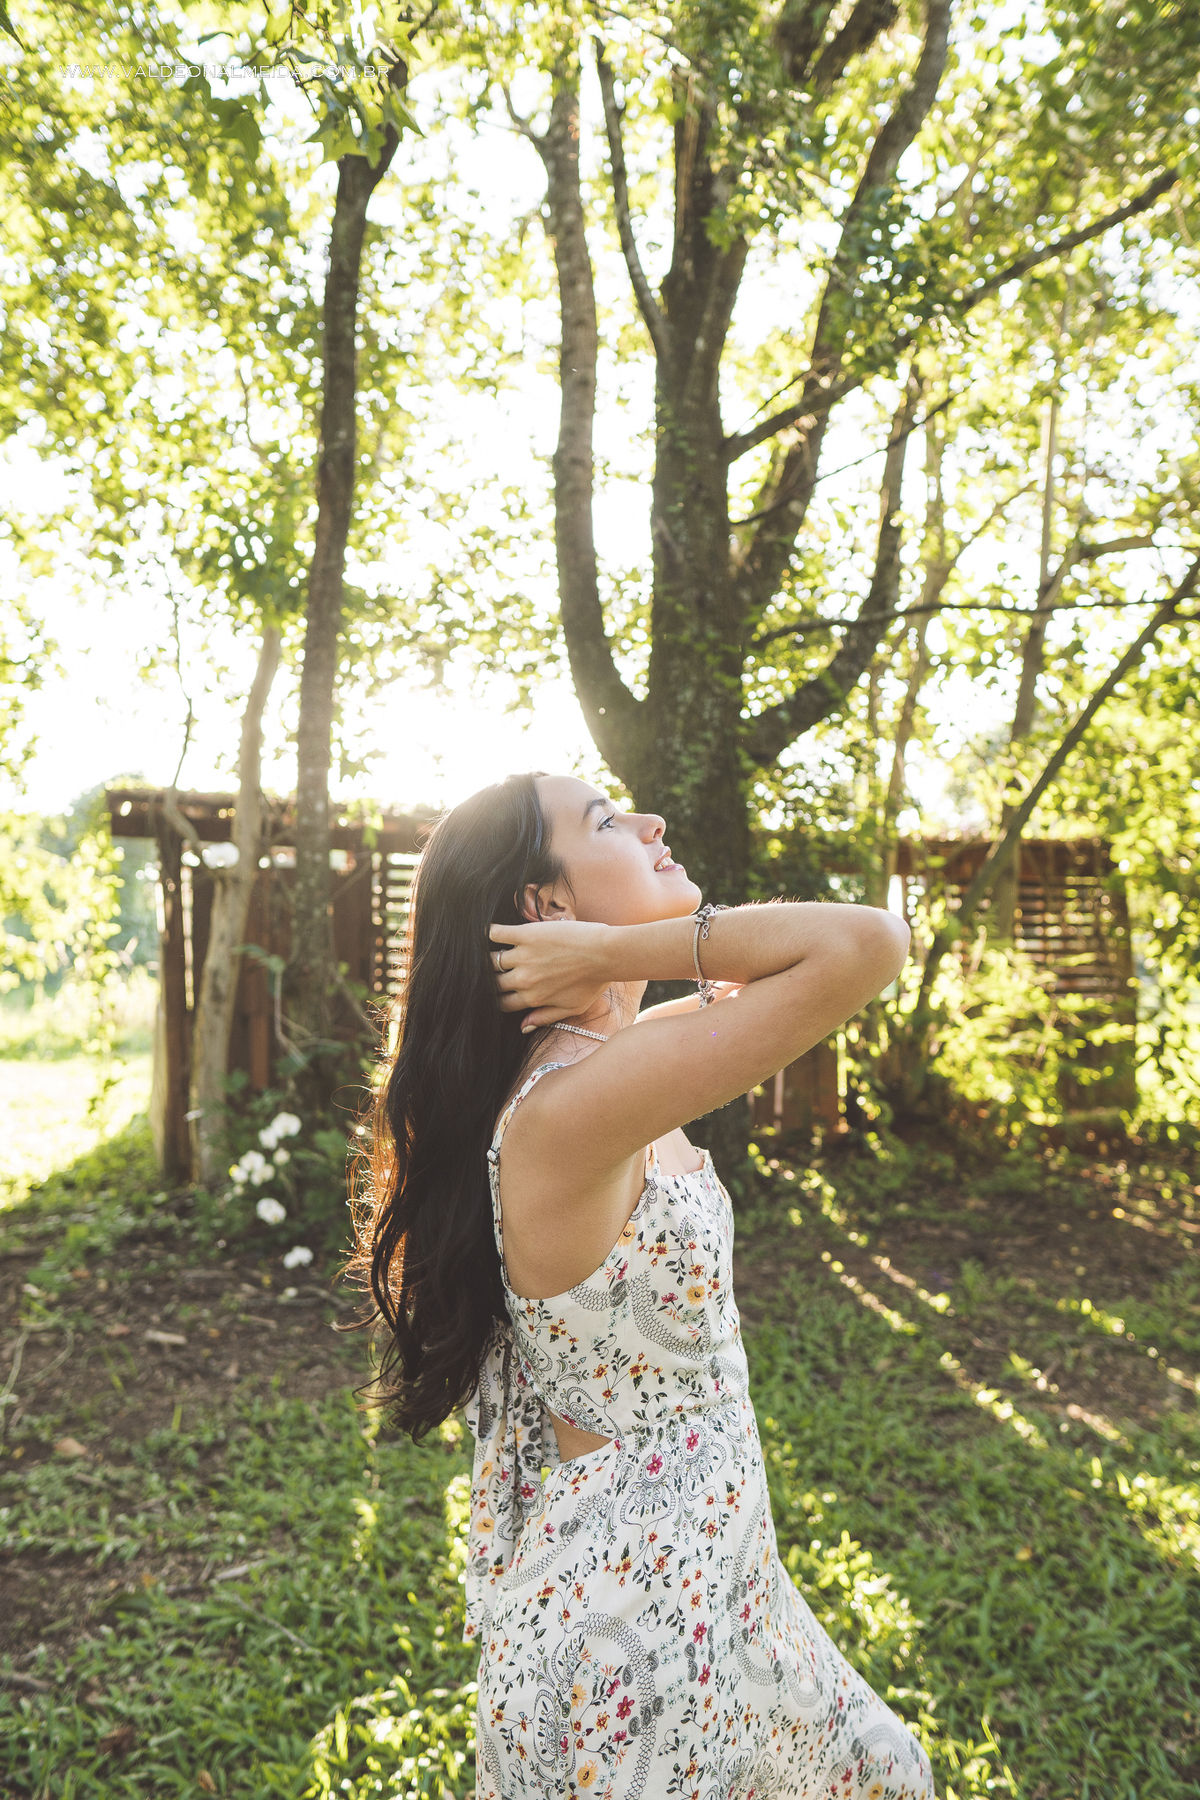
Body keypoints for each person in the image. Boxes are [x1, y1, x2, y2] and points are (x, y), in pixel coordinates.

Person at [358, 771, 935, 1800]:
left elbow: (816, 963)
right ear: (549, 908)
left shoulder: (617, 1064)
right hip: (635, 1615)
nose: (653, 822)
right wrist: (620, 953)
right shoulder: (574, 1105)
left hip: (710, 1578)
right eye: (606, 822)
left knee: (879, 1771)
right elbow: (866, 944)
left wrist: (614, 961)